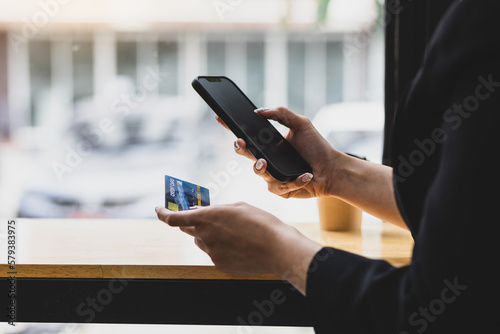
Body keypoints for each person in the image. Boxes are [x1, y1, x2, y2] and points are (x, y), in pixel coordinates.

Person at [156, 1, 500, 332]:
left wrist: (277, 247)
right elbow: (478, 214)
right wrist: (335, 173)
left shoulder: (482, 30)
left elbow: (443, 313)